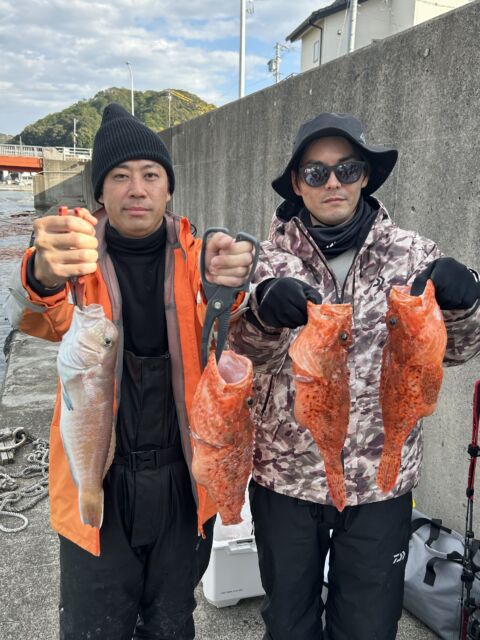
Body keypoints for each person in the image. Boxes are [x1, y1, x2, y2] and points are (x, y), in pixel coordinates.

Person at [6, 103, 254, 640]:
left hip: (183, 483)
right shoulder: (76, 259)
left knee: (172, 622)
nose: (136, 189)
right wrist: (41, 271)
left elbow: (232, 329)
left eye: (151, 175)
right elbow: (31, 316)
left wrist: (234, 287)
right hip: (99, 479)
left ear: (168, 190)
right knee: (93, 626)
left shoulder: (200, 259)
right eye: (119, 176)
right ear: (100, 191)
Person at [229, 112, 480, 640]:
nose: (333, 183)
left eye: (346, 169)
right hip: (286, 481)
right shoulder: (264, 262)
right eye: (315, 172)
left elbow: (457, 352)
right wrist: (262, 315)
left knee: (368, 627)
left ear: (365, 175)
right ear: (297, 183)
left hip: (381, 483)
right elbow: (239, 361)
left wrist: (465, 306)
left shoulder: (414, 255)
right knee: (288, 624)